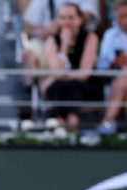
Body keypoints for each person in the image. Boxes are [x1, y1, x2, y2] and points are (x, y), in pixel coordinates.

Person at [39, 2, 100, 132]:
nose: (66, 22)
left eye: (71, 17)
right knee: (58, 87)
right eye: (62, 17)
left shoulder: (90, 38)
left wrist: (56, 77)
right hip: (61, 87)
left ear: (80, 20)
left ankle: (71, 123)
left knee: (70, 85)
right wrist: (64, 46)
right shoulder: (52, 41)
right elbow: (56, 70)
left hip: (84, 87)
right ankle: (60, 123)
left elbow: (84, 73)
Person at [95, 0, 127, 134]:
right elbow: (101, 65)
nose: (124, 20)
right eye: (121, 16)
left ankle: (107, 122)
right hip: (114, 78)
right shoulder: (110, 35)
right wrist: (114, 62)